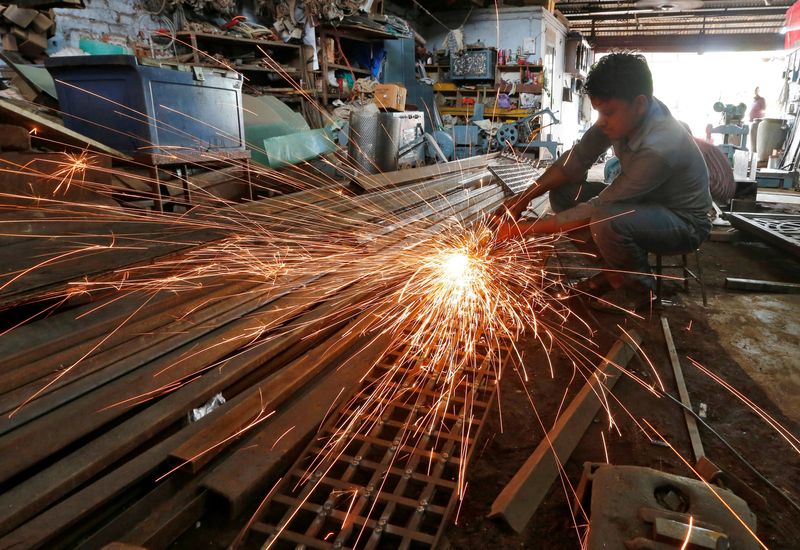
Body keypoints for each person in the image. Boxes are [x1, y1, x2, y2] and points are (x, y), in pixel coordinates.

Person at [494, 53, 712, 311]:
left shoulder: (660, 146)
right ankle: (616, 271)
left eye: (607, 112)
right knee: (565, 194)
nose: (601, 121)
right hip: (643, 203)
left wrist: (521, 230)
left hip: (683, 222)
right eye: (598, 111)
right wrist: (521, 199)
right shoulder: (628, 111)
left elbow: (596, 208)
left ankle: (640, 292)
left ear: (640, 104)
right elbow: (574, 163)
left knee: (606, 221)